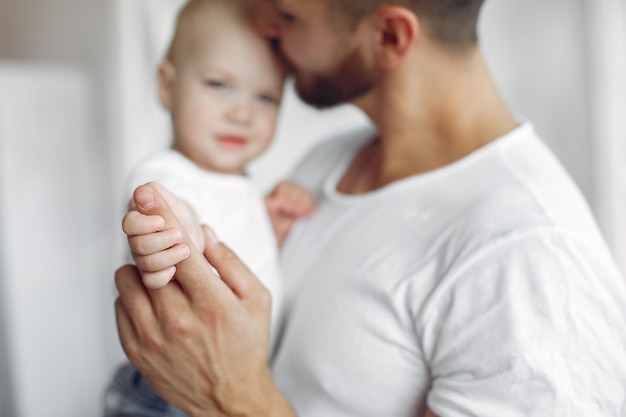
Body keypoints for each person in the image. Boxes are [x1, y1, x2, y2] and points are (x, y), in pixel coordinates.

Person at [112, 0, 626, 416]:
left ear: (389, 37)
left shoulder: (528, 256)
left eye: (288, 15)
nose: (263, 21)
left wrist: (233, 400)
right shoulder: (325, 164)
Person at [104, 0, 314, 415]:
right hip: (170, 392)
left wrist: (271, 227)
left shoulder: (242, 185)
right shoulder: (164, 174)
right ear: (168, 87)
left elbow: (231, 247)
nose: (241, 113)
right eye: (219, 84)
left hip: (230, 381)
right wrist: (169, 230)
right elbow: (172, 215)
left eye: (266, 97)